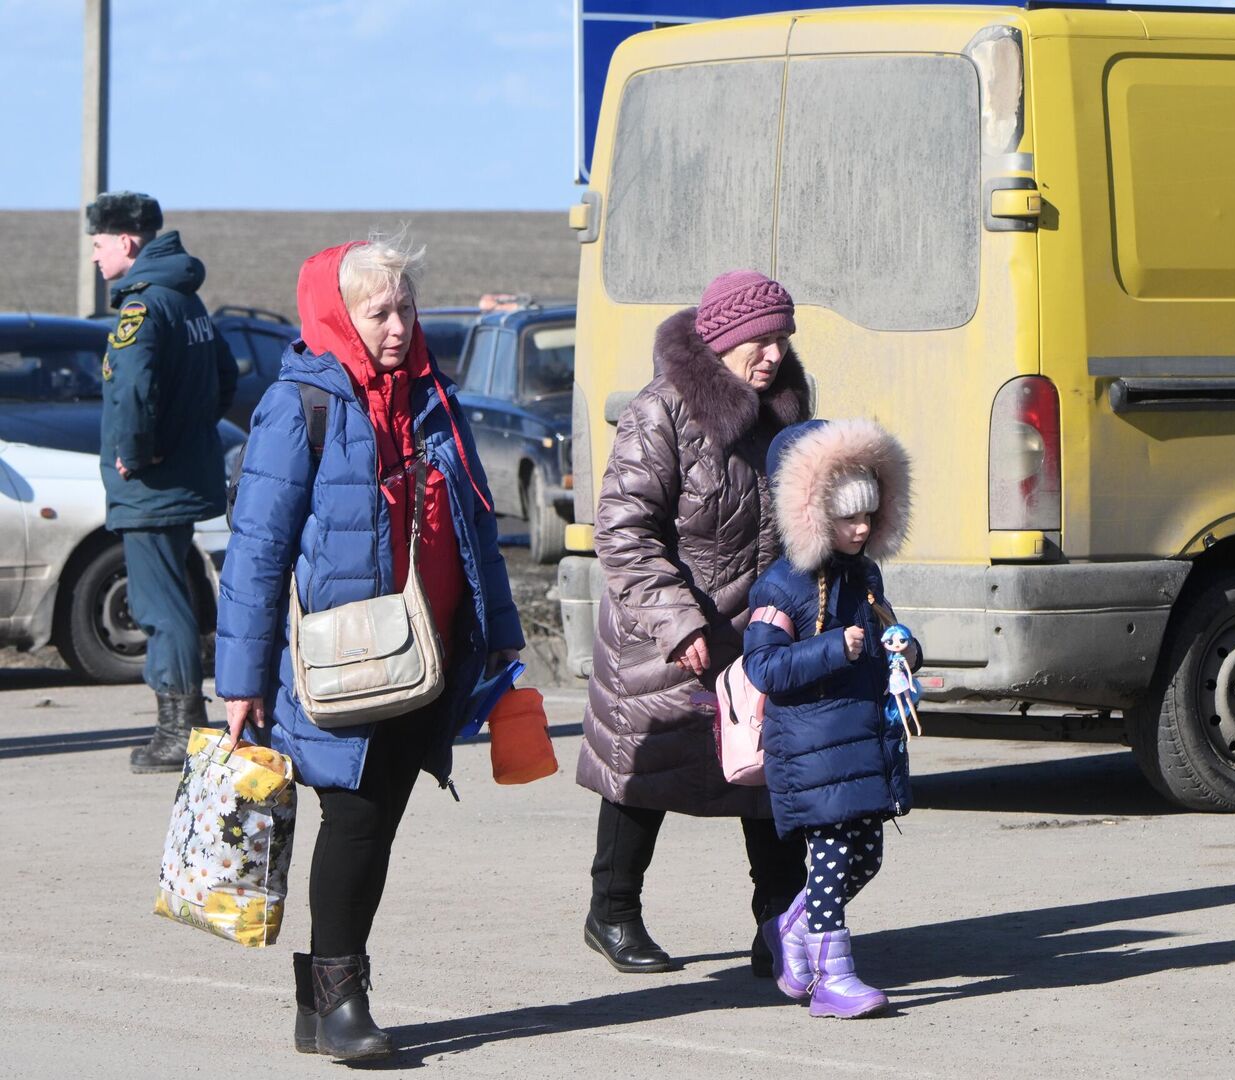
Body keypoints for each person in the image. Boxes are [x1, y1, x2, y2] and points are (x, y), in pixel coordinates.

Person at [216, 236, 523, 1061]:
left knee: (375, 822)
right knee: (354, 818)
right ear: (337, 316)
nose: (397, 327)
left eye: (406, 308)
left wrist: (500, 635)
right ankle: (342, 1000)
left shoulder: (433, 399)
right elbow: (255, 550)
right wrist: (240, 680)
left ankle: (318, 1010)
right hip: (338, 659)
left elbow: (477, 525)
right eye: (378, 312)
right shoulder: (302, 404)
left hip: (421, 652)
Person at [577, 269, 812, 978]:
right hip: (667, 632)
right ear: (721, 339)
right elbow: (623, 532)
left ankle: (781, 923)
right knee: (644, 773)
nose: (773, 354)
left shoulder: (790, 408)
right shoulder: (661, 413)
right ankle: (612, 910)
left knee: (772, 781)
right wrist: (679, 624)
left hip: (759, 632)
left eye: (782, 339)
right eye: (759, 340)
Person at [745, 418, 916, 1019]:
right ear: (812, 512)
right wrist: (831, 649)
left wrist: (903, 645)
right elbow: (763, 667)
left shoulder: (864, 575)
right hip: (811, 748)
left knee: (866, 853)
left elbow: (880, 633)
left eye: (869, 514)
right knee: (835, 854)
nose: (862, 528)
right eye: (848, 517)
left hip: (861, 739)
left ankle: (793, 930)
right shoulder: (781, 584)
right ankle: (829, 980)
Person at [87, 192, 238, 773]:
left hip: (151, 485)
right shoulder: (186, 300)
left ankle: (180, 730)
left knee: (159, 605)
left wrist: (137, 451)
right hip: (182, 472)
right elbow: (224, 377)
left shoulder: (143, 309)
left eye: (99, 245)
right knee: (175, 594)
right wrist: (189, 432)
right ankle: (187, 723)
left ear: (126, 241)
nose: (97, 257)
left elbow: (131, 389)